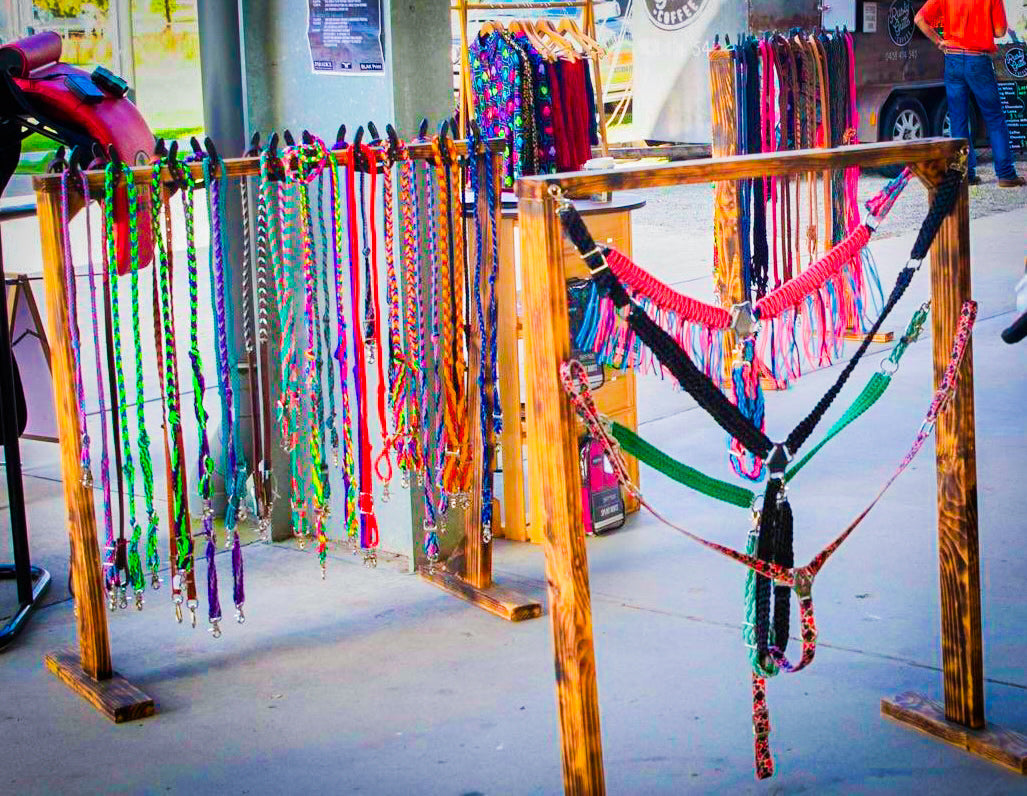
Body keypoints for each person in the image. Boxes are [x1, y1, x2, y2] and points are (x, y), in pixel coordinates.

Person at [915, 0, 1026, 187]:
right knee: (994, 118)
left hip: (953, 58)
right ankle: (1006, 174)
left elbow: (919, 19)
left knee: (958, 118)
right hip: (978, 60)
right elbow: (1000, 32)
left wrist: (939, 41)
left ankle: (964, 174)